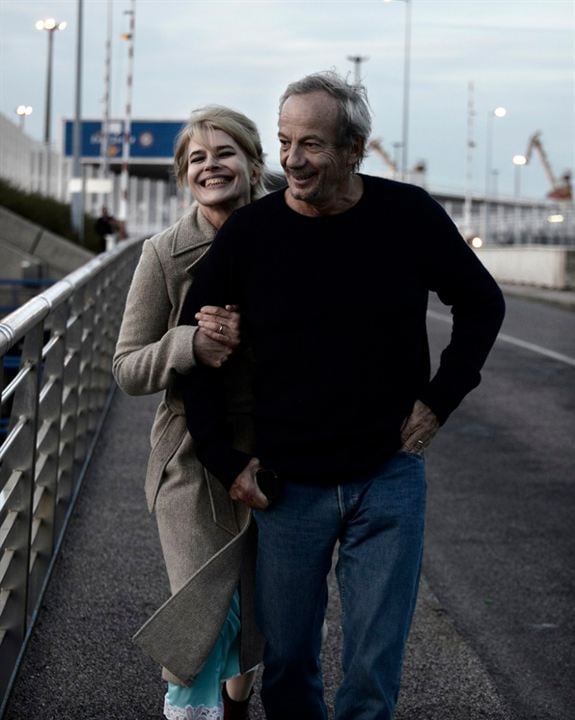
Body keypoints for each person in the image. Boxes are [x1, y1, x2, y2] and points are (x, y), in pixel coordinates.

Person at [177, 72, 506, 720]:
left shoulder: (407, 215)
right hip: (285, 486)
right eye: (284, 142)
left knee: (371, 670)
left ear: (353, 148)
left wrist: (438, 401)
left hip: (386, 479)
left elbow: (480, 303)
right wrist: (226, 462)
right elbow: (197, 352)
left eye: (312, 144)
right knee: (291, 664)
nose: (293, 161)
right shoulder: (250, 234)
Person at [113, 105, 269, 720]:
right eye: (197, 159)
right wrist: (188, 345)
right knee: (202, 609)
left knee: (259, 611)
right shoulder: (163, 253)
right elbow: (126, 368)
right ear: (184, 175)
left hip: (275, 447)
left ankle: (236, 706)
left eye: (225, 153)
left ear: (254, 163)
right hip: (188, 462)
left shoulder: (291, 231)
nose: (211, 166)